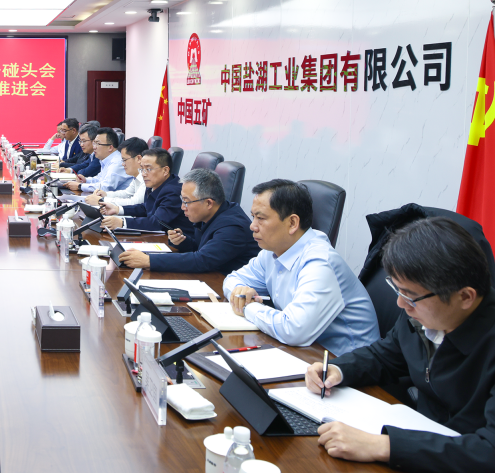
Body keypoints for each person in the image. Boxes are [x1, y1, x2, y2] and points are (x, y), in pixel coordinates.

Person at [305, 217, 495, 471]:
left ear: (465, 297)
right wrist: (338, 369)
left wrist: (383, 446)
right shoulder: (421, 313)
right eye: (398, 291)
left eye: (410, 296)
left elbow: (489, 450)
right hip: (422, 442)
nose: (401, 304)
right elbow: (386, 355)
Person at [223, 179, 378, 355]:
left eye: (261, 218)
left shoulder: (320, 262)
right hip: (307, 351)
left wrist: (247, 307)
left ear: (292, 223)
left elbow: (293, 330)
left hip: (345, 363)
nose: (252, 226)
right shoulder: (273, 250)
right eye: (253, 217)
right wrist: (240, 292)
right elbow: (232, 279)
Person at [119, 168, 259, 273]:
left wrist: (148, 260)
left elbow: (202, 260)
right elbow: (201, 248)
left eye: (186, 201)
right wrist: (183, 242)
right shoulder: (210, 215)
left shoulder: (232, 227)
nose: (182, 207)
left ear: (208, 203)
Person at [102, 147, 193, 236]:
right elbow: (145, 208)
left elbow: (157, 222)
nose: (143, 174)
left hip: (177, 241)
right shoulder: (155, 184)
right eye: (142, 169)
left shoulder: (174, 192)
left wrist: (122, 222)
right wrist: (117, 209)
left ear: (165, 170)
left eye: (148, 169)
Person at [87, 137, 148, 207]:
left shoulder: (147, 177)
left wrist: (102, 200)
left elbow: (135, 202)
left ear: (139, 159)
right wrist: (105, 194)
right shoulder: (137, 176)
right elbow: (126, 193)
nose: (123, 164)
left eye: (124, 160)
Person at [66, 128, 131, 194]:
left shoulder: (117, 162)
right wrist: (85, 180)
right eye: (94, 143)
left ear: (110, 147)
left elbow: (106, 187)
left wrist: (80, 186)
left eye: (98, 144)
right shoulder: (106, 160)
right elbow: (100, 179)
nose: (94, 147)